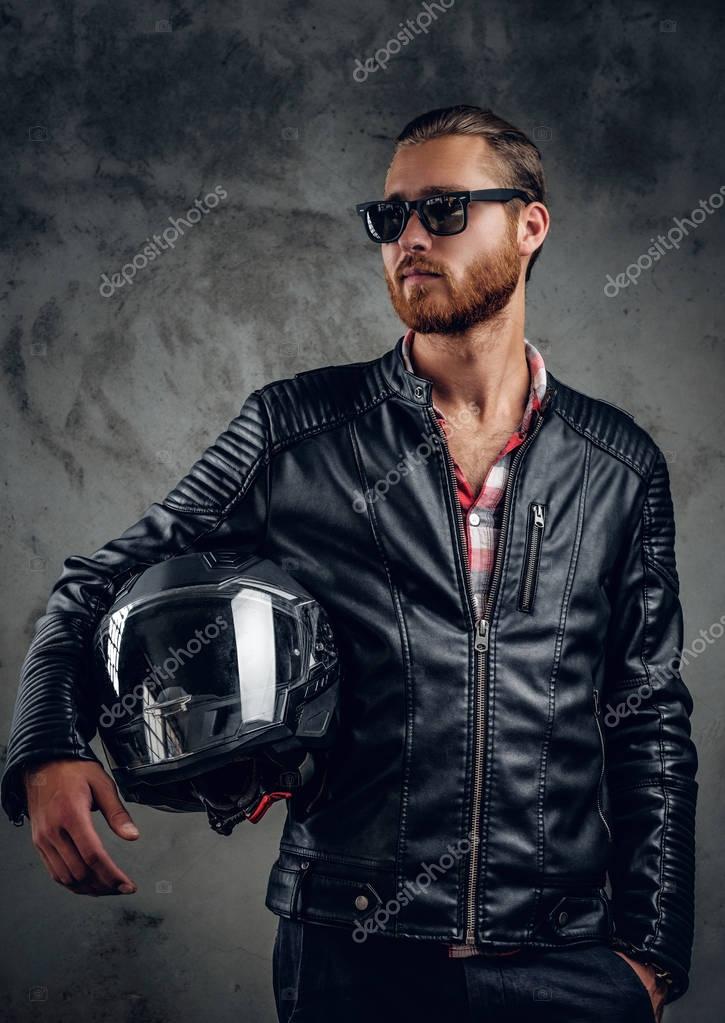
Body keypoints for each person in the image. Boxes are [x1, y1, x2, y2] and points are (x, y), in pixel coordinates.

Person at [3, 105, 697, 1023]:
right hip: (352, 953)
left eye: (443, 210)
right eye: (390, 217)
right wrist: (47, 745)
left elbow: (647, 717)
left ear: (529, 225)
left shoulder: (617, 463)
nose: (408, 236)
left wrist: (649, 958)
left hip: (567, 961)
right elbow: (92, 589)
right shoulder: (294, 430)